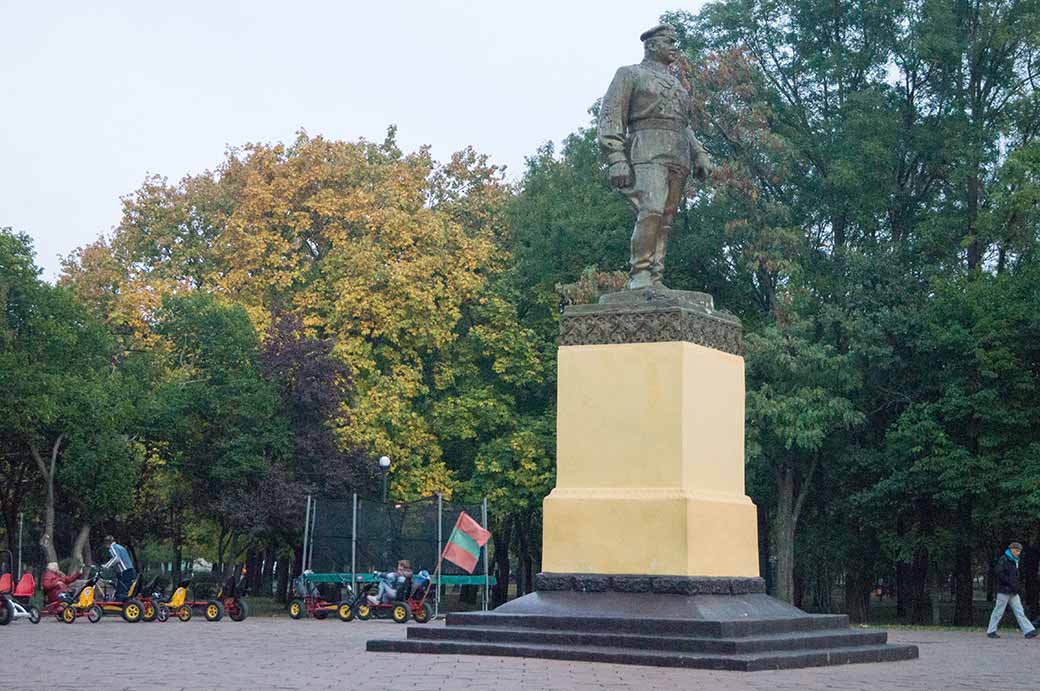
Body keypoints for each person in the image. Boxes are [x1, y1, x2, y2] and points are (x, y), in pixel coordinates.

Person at [598, 24, 712, 290]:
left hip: (677, 152)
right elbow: (611, 115)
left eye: (676, 42)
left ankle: (656, 278)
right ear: (651, 46)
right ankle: (640, 274)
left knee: (666, 218)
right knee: (650, 210)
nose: (675, 47)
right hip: (645, 148)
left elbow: (684, 124)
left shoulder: (678, 85)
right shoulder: (630, 74)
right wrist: (616, 157)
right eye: (669, 41)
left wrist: (700, 153)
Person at [986, 541, 1037, 638]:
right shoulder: (1004, 559)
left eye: (1019, 551)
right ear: (1012, 550)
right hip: (1004, 590)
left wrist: (1015, 586)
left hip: (1013, 590)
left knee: (1019, 611)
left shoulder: (1015, 560)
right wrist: (1011, 584)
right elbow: (1000, 574)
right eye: (1017, 550)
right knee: (998, 611)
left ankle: (1029, 631)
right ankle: (991, 631)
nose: (1019, 553)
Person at [101, 535, 137, 602]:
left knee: (121, 590)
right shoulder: (120, 547)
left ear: (107, 543)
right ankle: (123, 603)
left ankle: (119, 605)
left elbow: (116, 558)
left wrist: (106, 566)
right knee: (125, 589)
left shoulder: (112, 547)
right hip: (130, 569)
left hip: (124, 571)